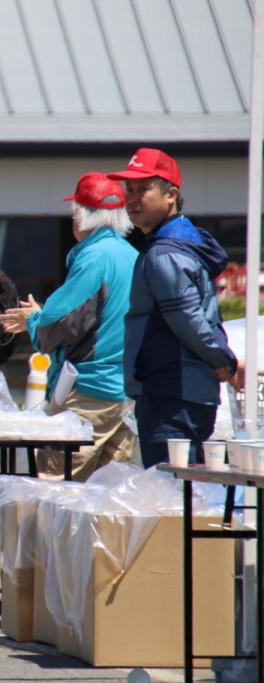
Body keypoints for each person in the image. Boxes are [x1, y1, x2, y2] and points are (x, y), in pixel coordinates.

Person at [0, 173, 138, 479]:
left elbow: (59, 320)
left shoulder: (94, 257)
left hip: (90, 393)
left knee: (56, 489)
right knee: (109, 495)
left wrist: (33, 319)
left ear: (83, 214)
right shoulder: (131, 255)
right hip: (126, 396)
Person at [108, 148, 243, 466]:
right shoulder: (178, 244)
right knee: (183, 496)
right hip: (181, 392)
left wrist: (223, 361)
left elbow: (187, 318)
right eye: (129, 190)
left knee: (171, 496)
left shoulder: (164, 254)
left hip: (171, 392)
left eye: (143, 189)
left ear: (171, 195)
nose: (133, 199)